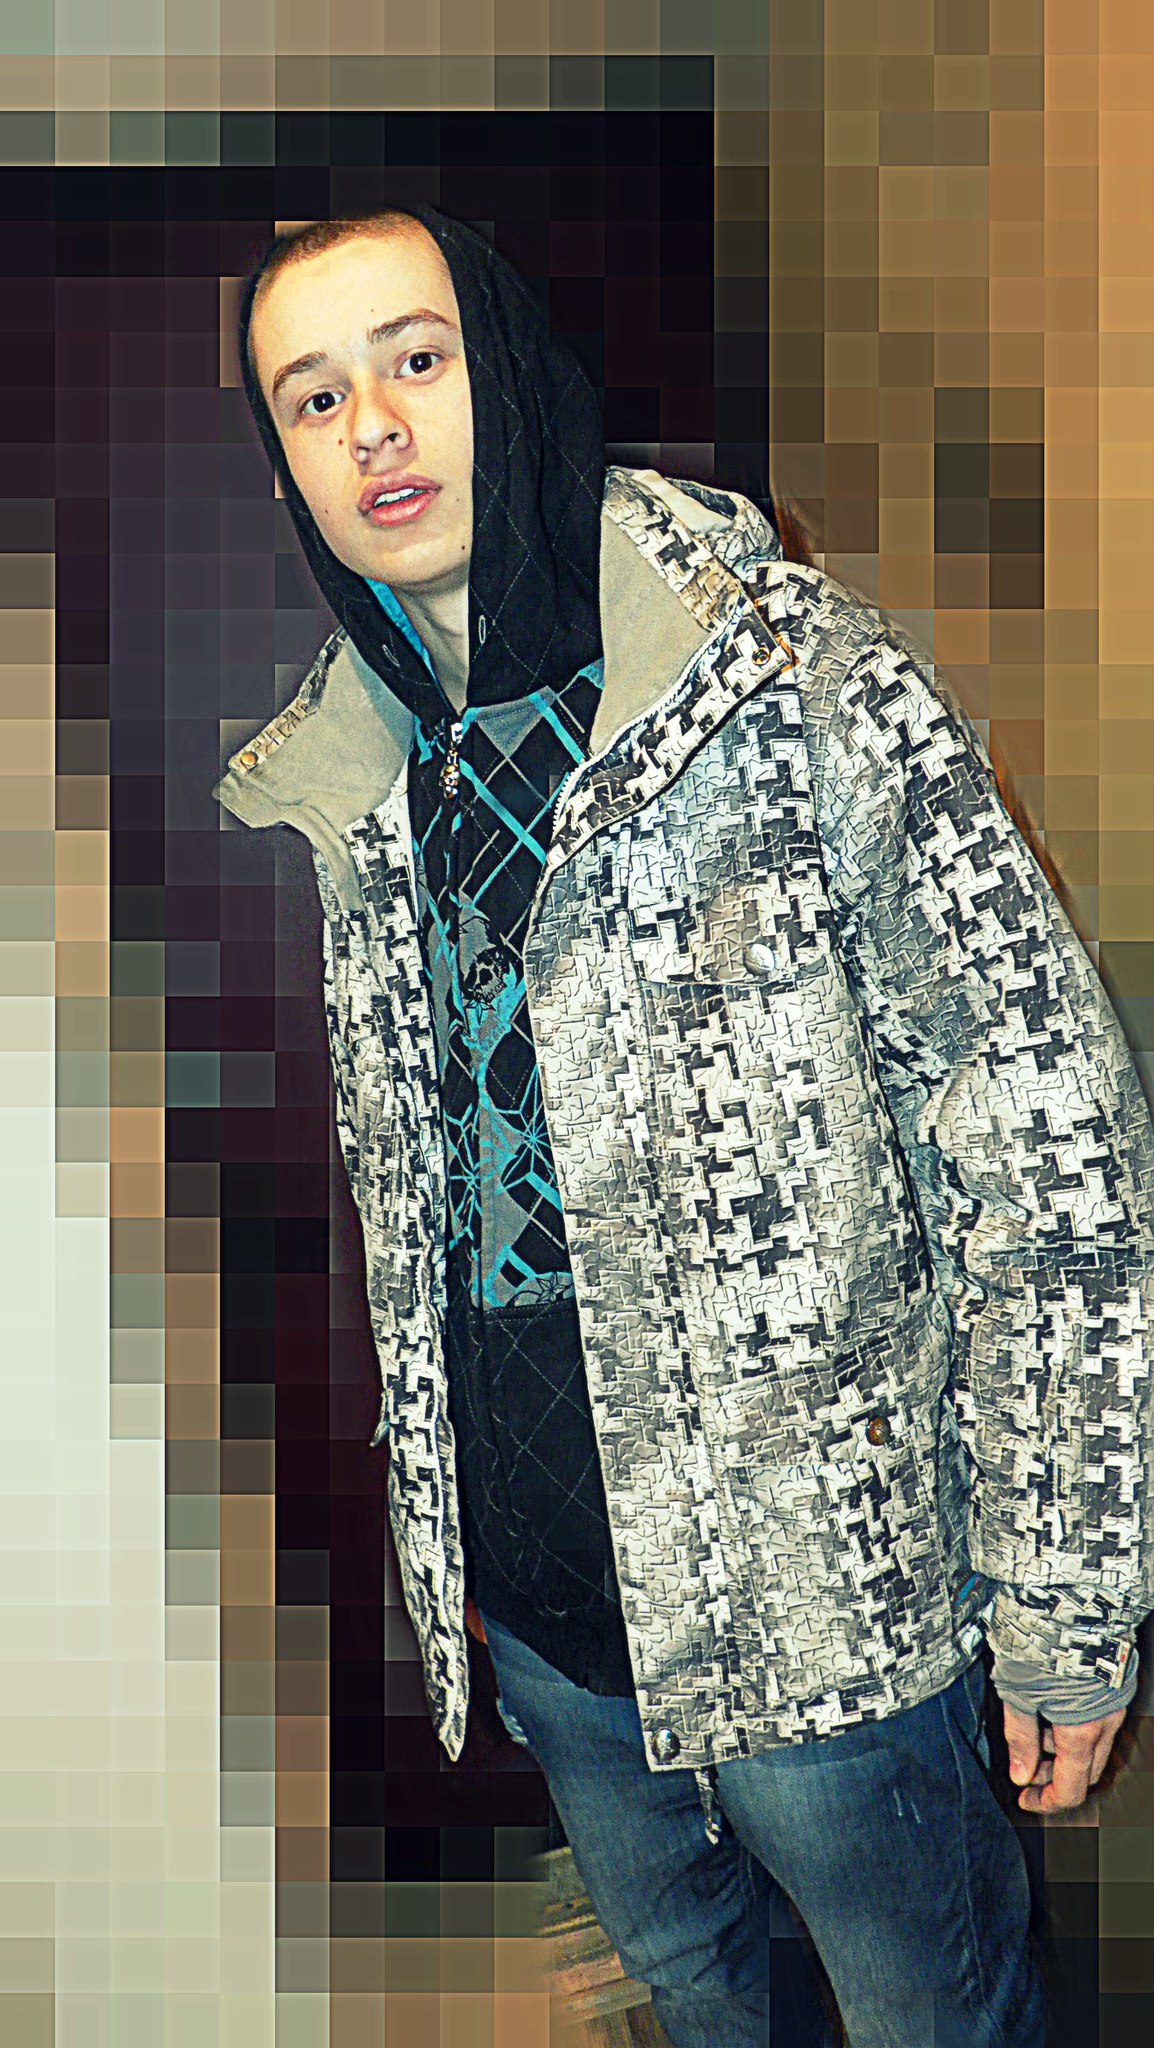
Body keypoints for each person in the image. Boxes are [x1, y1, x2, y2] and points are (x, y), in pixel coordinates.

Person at [216, 200, 1154, 2047]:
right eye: (313, 399)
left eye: (417, 360)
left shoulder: (792, 678)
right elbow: (436, 1217)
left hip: (831, 1628)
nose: (374, 427)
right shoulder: (354, 778)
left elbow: (1050, 1145)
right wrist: (459, 1563)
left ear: (508, 369)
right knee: (706, 2009)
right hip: (558, 1645)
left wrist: (1063, 1600)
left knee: (937, 2018)